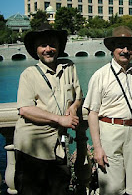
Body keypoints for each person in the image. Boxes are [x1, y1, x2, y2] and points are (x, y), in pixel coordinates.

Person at [14, 23, 83, 195]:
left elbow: (79, 96)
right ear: (36, 49)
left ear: (59, 47)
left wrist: (74, 108)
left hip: (58, 149)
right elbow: (25, 110)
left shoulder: (69, 67)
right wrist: (60, 119)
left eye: (52, 44)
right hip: (32, 149)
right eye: (43, 45)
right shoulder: (29, 74)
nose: (48, 49)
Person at [83, 26, 132, 195]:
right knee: (113, 188)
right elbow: (92, 113)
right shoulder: (101, 75)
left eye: (129, 47)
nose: (125, 51)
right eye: (121, 46)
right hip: (111, 133)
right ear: (112, 49)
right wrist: (97, 147)